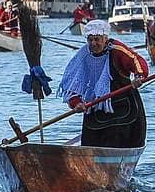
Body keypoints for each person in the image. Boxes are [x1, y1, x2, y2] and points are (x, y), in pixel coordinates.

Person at [56, 19, 148, 149]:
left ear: (105, 38)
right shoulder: (83, 56)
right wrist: (76, 103)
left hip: (123, 108)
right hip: (95, 109)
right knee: (90, 144)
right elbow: (73, 83)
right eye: (90, 40)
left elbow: (136, 60)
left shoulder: (117, 50)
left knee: (119, 140)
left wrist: (139, 76)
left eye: (97, 39)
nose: (93, 43)